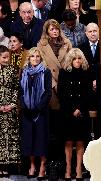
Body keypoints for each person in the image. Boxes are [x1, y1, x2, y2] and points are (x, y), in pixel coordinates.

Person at [37, 19, 72, 172]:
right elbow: (42, 66)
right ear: (47, 31)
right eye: (51, 29)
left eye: (56, 29)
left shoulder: (67, 43)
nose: (54, 31)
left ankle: (64, 163)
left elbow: (71, 62)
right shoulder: (41, 46)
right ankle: (52, 162)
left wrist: (62, 83)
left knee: (64, 127)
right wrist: (53, 84)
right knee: (52, 128)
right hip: (49, 89)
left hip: (66, 87)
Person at [57, 48, 92, 180]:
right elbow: (61, 93)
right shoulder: (64, 73)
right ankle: (68, 169)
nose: (77, 61)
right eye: (74, 59)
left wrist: (79, 109)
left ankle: (78, 169)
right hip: (67, 112)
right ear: (70, 60)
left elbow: (88, 93)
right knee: (68, 141)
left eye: (79, 58)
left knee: (80, 141)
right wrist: (72, 109)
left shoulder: (86, 73)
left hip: (81, 112)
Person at [20, 47, 52, 180]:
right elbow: (21, 92)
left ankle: (43, 166)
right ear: (29, 58)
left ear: (41, 58)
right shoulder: (24, 72)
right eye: (33, 56)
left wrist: (38, 107)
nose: (35, 59)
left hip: (41, 111)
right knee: (29, 139)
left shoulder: (46, 72)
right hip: (27, 111)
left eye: (38, 56)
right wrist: (25, 107)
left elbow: (48, 93)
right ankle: (32, 165)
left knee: (41, 139)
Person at [0, 45, 20, 177]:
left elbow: (15, 89)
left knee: (8, 138)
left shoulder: (12, 70)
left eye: (8, 57)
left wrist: (12, 105)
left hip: (9, 110)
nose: (7, 60)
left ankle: (6, 166)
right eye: (4, 57)